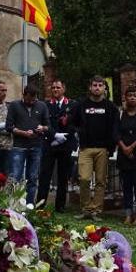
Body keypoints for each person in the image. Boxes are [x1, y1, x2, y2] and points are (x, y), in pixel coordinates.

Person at [70, 75, 119, 219]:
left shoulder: (111, 107)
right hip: (85, 148)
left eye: (100, 85)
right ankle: (85, 209)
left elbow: (115, 128)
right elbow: (72, 123)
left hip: (103, 149)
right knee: (84, 179)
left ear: (104, 88)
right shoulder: (81, 105)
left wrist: (111, 146)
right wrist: (79, 132)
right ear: (90, 87)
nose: (97, 88)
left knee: (100, 181)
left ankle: (96, 210)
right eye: (95, 85)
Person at [6, 84, 51, 204]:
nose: (32, 101)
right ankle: (12, 205)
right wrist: (23, 133)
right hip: (18, 146)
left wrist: (42, 128)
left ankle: (29, 205)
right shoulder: (14, 105)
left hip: (36, 145)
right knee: (15, 177)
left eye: (34, 99)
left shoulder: (42, 106)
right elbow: (9, 127)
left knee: (32, 178)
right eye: (30, 99)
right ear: (24, 95)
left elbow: (48, 125)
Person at [37, 80, 77, 212]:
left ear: (64, 89)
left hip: (65, 145)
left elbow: (75, 125)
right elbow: (44, 123)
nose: (55, 89)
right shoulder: (45, 105)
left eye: (58, 87)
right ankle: (40, 205)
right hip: (49, 144)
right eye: (53, 87)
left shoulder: (72, 105)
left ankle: (60, 206)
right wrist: (54, 136)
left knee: (63, 177)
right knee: (45, 176)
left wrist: (62, 138)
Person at [114, 85, 136, 225]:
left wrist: (132, 148)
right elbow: (116, 133)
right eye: (130, 96)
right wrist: (124, 148)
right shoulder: (120, 114)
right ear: (125, 98)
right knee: (126, 185)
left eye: (135, 95)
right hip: (123, 154)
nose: (132, 98)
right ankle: (128, 213)